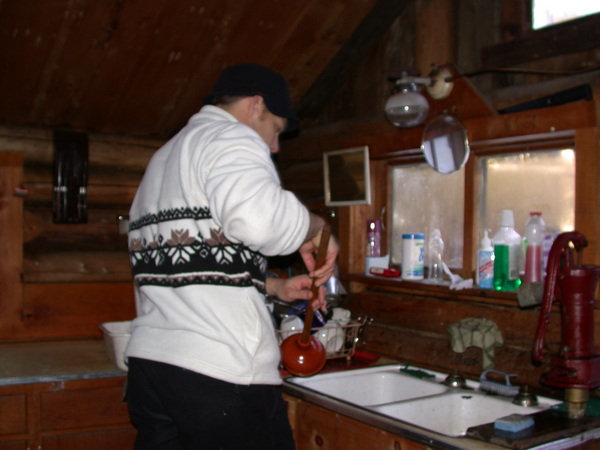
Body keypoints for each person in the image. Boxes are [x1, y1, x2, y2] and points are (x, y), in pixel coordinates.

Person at [125, 63, 339, 450]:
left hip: (153, 371)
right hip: (219, 377)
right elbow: (257, 222)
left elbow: (180, 265)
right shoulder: (231, 137)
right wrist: (316, 227)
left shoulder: (166, 155)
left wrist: (272, 286)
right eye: (275, 131)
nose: (274, 148)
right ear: (256, 106)